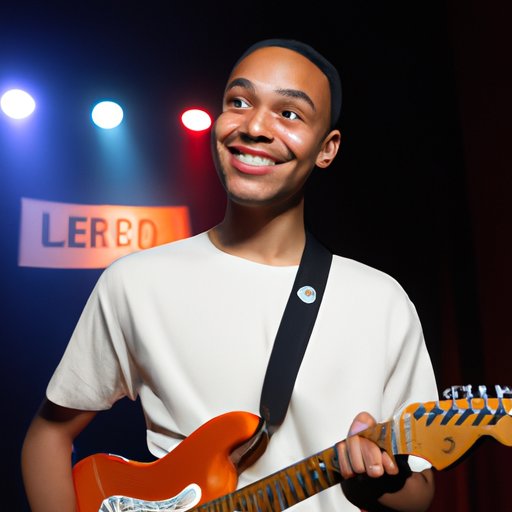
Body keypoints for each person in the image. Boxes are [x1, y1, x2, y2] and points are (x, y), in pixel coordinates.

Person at [21, 38, 438, 511]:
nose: (255, 127)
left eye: (289, 113)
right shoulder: (136, 282)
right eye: (238, 102)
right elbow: (48, 435)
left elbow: (420, 492)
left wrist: (377, 479)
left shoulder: (380, 301)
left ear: (327, 149)